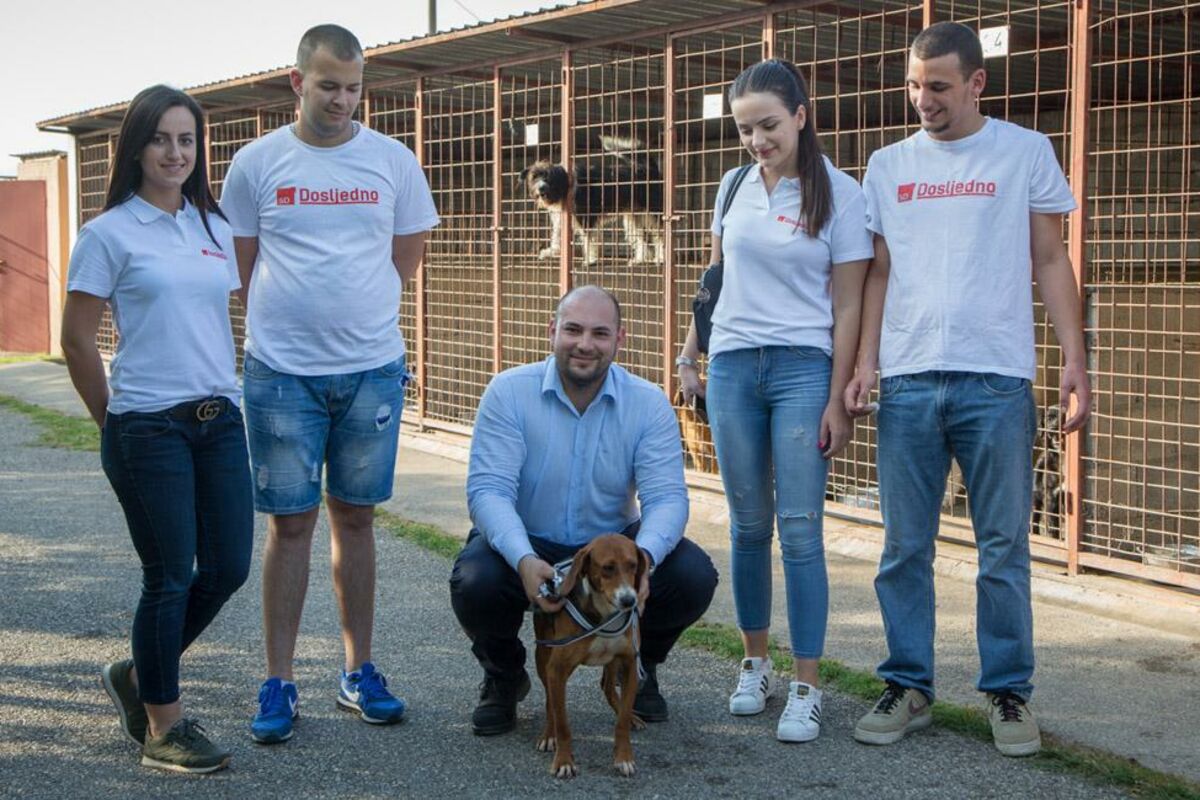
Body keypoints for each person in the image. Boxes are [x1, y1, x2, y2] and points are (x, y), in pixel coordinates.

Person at [844, 22, 1091, 757]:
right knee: (904, 546)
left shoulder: (1025, 151)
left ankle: (1008, 691)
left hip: (997, 377)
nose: (924, 100)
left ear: (977, 82)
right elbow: (878, 272)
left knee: (1003, 547)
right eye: (914, 85)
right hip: (909, 378)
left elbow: (1051, 258)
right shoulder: (887, 164)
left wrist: (1075, 359)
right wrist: (865, 364)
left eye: (939, 87)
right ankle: (908, 685)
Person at [219, 24, 439, 744]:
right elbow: (242, 266)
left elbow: (406, 255)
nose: (343, 101)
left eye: (353, 88)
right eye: (328, 86)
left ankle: (358, 671)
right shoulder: (256, 164)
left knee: (356, 519)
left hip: (371, 370)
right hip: (281, 373)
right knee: (290, 525)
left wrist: (354, 315)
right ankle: (278, 680)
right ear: (298, 82)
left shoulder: (393, 161)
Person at [676, 59, 873, 743]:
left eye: (768, 125)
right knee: (747, 525)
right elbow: (716, 280)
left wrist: (838, 397)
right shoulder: (732, 186)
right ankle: (754, 664)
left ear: (800, 116)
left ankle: (807, 684)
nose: (757, 140)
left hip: (802, 370)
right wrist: (689, 354)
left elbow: (849, 305)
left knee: (800, 528)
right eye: (744, 129)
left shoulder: (840, 192)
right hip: (732, 366)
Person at [61, 85, 253, 774]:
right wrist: (113, 422)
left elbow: (214, 318)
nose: (175, 153)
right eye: (161, 139)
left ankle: (139, 674)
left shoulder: (213, 226)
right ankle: (162, 728)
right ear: (136, 147)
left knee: (227, 569)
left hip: (218, 419)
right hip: (147, 427)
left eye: (187, 140)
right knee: (170, 575)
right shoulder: (108, 233)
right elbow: (76, 340)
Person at [450, 285, 718, 736]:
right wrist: (523, 559)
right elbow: (488, 491)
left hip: (612, 548)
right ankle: (504, 674)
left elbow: (668, 498)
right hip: (530, 539)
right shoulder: (508, 392)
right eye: (572, 330)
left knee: (693, 575)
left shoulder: (647, 402)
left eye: (600, 333)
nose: (584, 344)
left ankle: (638, 663)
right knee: (475, 581)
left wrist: (645, 560)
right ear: (552, 331)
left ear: (619, 339)